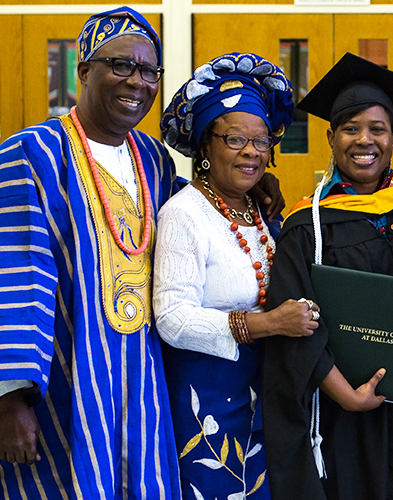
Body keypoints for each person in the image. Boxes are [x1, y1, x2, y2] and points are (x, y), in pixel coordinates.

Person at [0, 7, 183, 499]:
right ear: (83, 72)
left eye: (148, 71)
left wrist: (251, 190)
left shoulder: (155, 160)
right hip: (59, 379)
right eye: (121, 65)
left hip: (143, 381)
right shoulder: (32, 154)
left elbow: (194, 217)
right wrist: (10, 400)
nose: (136, 81)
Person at [261, 53, 393, 499]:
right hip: (342, 415)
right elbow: (295, 329)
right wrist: (345, 393)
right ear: (330, 137)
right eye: (350, 128)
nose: (364, 140)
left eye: (377, 129)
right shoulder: (305, 227)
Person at [156, 52, 319, 500]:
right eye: (235, 140)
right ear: (205, 146)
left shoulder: (260, 210)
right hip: (207, 402)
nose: (252, 151)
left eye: (262, 141)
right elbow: (172, 318)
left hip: (265, 391)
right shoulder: (184, 215)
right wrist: (267, 324)